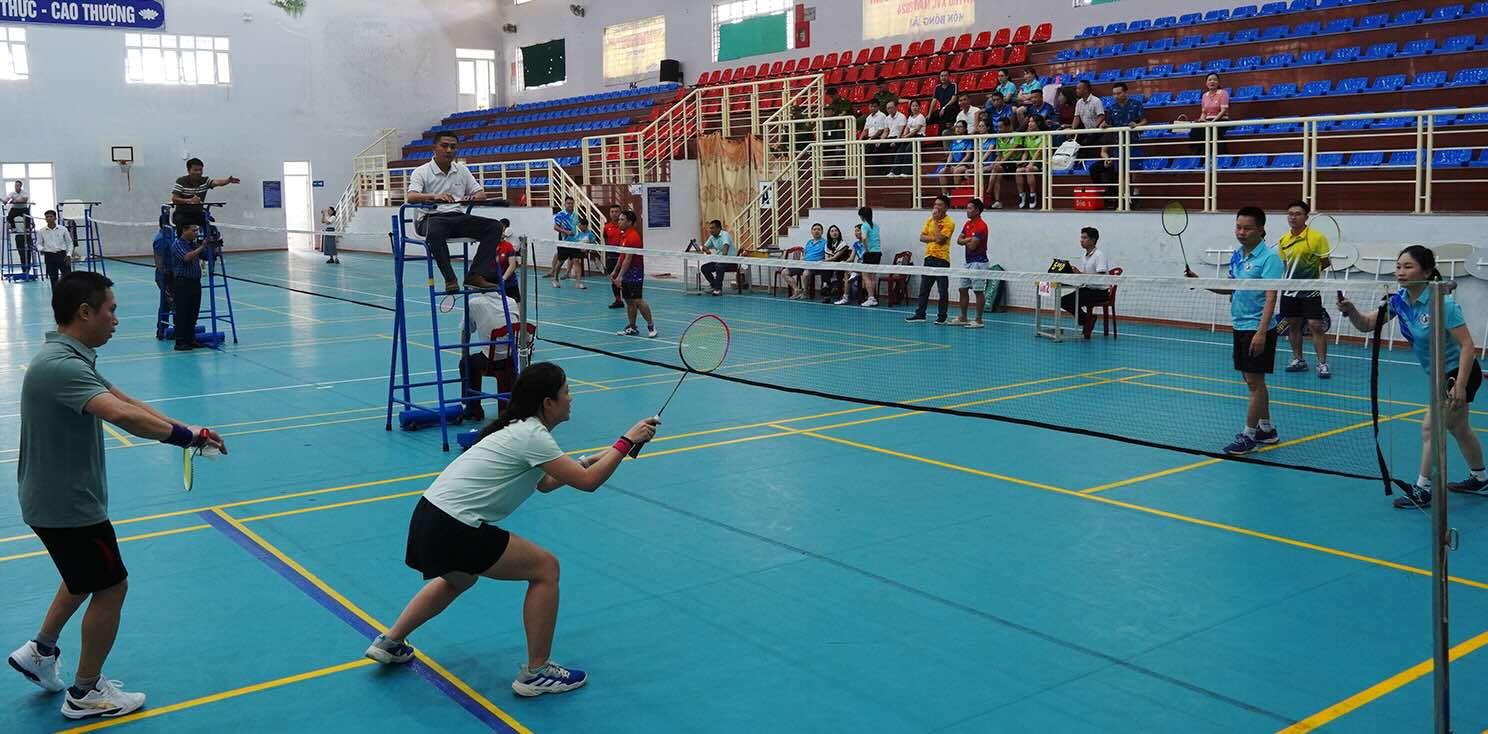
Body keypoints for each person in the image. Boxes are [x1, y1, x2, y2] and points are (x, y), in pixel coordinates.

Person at [363, 361, 659, 698]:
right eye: (566, 392)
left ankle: (390, 642)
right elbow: (588, 483)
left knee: (460, 579)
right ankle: (537, 671)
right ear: (548, 402)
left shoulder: (521, 429)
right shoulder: (533, 436)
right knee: (546, 568)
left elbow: (546, 483)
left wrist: (614, 449)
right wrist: (625, 441)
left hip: (428, 517)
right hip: (455, 526)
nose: (571, 397)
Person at [8, 271, 226, 721]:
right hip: (67, 506)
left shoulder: (69, 356)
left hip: (55, 500)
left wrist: (192, 431)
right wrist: (184, 439)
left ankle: (40, 651)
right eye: (111, 310)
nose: (116, 319)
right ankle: (85, 692)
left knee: (82, 576)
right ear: (85, 313)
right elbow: (121, 417)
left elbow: (125, 401)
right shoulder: (62, 366)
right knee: (111, 585)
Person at [1338, 246, 1488, 509]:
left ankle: (1423, 490)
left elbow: (1467, 346)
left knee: (1431, 428)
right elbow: (1367, 325)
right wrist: (1351, 311)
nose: (1401, 272)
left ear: (1427, 272)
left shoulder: (1442, 304)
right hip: (1438, 373)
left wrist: (1461, 385)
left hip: (1458, 373)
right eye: (1398, 267)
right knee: (1459, 428)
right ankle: (1481, 480)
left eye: (1408, 267)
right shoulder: (1399, 300)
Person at [1186, 207, 1283, 455]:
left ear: (1260, 229)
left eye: (1247, 228)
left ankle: (1249, 436)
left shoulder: (1270, 258)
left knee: (1254, 383)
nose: (1241, 232)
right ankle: (1266, 429)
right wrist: (1201, 282)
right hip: (1240, 324)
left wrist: (1262, 332)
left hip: (1256, 327)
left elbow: (1271, 297)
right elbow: (1232, 287)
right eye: (1238, 227)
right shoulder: (1238, 255)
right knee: (1254, 381)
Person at [406, 132, 504, 294]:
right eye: (444, 146)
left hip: (458, 218)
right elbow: (411, 197)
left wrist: (472, 197)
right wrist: (434, 196)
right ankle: (450, 279)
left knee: (495, 227)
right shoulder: (421, 171)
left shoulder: (462, 170)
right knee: (435, 230)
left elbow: (481, 194)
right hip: (431, 218)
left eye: (453, 147)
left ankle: (475, 275)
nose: (449, 150)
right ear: (434, 148)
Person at [1277, 201, 1332, 379]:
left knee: (1316, 325)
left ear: (1306, 217)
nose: (1293, 217)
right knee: (1293, 326)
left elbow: (1325, 262)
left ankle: (1322, 363)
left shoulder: (1318, 238)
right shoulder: (1283, 240)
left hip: (1310, 290)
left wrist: (1309, 275)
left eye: (1298, 214)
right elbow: (1285, 265)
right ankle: (1298, 359)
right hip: (1289, 290)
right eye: (1290, 214)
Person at [458, 289, 525, 422]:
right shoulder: (511, 301)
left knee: (466, 363)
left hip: (491, 362)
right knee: (475, 360)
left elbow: (466, 330)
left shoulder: (474, 303)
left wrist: (464, 355)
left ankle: (473, 408)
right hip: (512, 359)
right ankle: (509, 405)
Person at [905, 194, 955, 324]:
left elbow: (941, 240)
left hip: (942, 259)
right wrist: (934, 237)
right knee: (924, 289)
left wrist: (936, 223)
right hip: (929, 257)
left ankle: (942, 317)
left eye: (940, 205)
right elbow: (922, 237)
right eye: (935, 204)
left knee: (942, 291)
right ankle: (920, 314)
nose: (936, 207)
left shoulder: (949, 223)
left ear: (946, 207)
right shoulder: (930, 220)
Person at [1060, 227, 1111, 339]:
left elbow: (1100, 277)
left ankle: (1087, 320)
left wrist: (1081, 274)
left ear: (1093, 240)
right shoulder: (1084, 256)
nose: (1081, 240)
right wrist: (1076, 273)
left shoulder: (1099, 255)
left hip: (1100, 292)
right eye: (1081, 237)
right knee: (1063, 301)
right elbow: (1086, 276)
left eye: (1085, 238)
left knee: (1073, 300)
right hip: (1087, 289)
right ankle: (1087, 319)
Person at [611, 210, 655, 338]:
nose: (619, 221)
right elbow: (622, 256)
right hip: (626, 273)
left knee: (638, 300)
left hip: (635, 273)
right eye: (619, 219)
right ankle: (632, 327)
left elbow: (628, 259)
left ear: (629, 222)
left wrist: (619, 277)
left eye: (622, 219)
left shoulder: (633, 236)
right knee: (629, 301)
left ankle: (651, 326)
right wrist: (615, 271)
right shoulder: (623, 235)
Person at [170, 158, 239, 233]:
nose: (199, 172)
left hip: (198, 214)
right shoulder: (181, 181)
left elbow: (216, 182)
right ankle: (182, 240)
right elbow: (174, 199)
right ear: (188, 170)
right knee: (181, 224)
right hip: (182, 214)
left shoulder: (205, 181)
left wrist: (227, 181)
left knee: (210, 224)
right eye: (195, 170)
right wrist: (190, 201)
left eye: (200, 170)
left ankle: (209, 240)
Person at [169, 223, 209, 352]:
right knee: (182, 313)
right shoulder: (177, 244)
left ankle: (191, 339)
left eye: (197, 230)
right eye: (193, 230)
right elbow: (187, 257)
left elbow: (206, 256)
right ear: (184, 230)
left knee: (193, 312)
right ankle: (180, 342)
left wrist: (211, 247)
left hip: (195, 282)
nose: (196, 233)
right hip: (183, 283)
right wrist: (201, 247)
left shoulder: (193, 244)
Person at [953, 198, 990, 328]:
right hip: (968, 262)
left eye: (970, 208)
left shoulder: (981, 226)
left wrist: (966, 240)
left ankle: (979, 320)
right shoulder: (967, 224)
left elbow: (973, 246)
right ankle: (963, 317)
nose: (967, 211)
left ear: (977, 210)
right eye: (967, 208)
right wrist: (969, 239)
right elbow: (958, 240)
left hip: (979, 263)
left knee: (978, 291)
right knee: (962, 289)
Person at [1188, 73, 1230, 155]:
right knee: (1195, 130)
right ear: (1206, 83)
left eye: (1215, 80)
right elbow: (1204, 113)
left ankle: (1215, 154)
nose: (1212, 82)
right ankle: (1200, 154)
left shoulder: (1223, 93)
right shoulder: (1204, 95)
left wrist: (1212, 122)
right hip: (1208, 121)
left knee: (1211, 132)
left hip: (1220, 120)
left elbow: (1223, 111)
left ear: (1218, 82)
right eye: (1210, 80)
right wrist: (1201, 120)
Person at [550, 196, 585, 289]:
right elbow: (555, 227)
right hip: (564, 242)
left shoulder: (575, 215)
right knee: (560, 262)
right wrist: (566, 232)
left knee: (576, 261)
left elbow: (578, 226)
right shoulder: (560, 215)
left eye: (571, 203)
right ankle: (555, 279)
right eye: (568, 203)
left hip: (574, 242)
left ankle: (578, 283)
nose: (570, 205)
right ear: (565, 204)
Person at [986, 117, 1022, 208]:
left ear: (1008, 126)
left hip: (1014, 162)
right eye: (998, 127)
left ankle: (988, 191)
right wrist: (995, 162)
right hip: (1003, 163)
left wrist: (999, 163)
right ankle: (997, 201)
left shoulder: (1016, 136)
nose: (999, 129)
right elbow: (999, 155)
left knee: (996, 168)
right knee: (996, 173)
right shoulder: (999, 138)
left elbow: (1011, 153)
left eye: (1001, 127)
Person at [34, 210, 76, 287]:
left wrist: (69, 255)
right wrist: (42, 249)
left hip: (62, 255)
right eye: (47, 217)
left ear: (55, 218)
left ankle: (69, 293)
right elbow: (38, 244)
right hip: (49, 256)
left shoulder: (63, 229)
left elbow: (69, 243)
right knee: (53, 278)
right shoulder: (41, 231)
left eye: (51, 216)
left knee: (68, 277)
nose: (49, 218)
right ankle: (55, 294)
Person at [786, 223, 827, 300]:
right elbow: (805, 254)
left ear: (822, 232)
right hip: (803, 264)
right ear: (811, 231)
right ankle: (797, 290)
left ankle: (805, 292)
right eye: (814, 229)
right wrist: (801, 260)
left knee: (806, 273)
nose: (816, 231)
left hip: (815, 265)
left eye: (818, 229)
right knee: (785, 272)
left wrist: (821, 261)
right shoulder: (809, 242)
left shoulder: (825, 242)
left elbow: (826, 256)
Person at [699, 219, 737, 295]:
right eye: (710, 228)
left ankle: (718, 289)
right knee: (704, 268)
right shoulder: (712, 237)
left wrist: (722, 258)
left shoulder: (725, 234)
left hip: (731, 261)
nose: (710, 230)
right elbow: (705, 246)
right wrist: (707, 250)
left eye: (712, 228)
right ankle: (714, 285)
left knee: (719, 266)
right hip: (719, 261)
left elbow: (726, 246)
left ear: (718, 228)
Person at [151, 213, 174, 341]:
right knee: (170, 302)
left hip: (173, 274)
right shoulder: (161, 239)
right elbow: (158, 260)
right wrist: (166, 276)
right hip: (165, 277)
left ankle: (164, 330)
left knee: (167, 303)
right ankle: (162, 329)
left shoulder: (172, 235)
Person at [1015, 115, 1045, 209]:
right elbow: (1025, 152)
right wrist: (1022, 161)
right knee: (1018, 171)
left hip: (1041, 162)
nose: (1030, 124)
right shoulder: (1027, 137)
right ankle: (1021, 195)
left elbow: (1039, 151)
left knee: (1028, 169)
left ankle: (1032, 195)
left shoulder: (1044, 135)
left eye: (1032, 122)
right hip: (1031, 162)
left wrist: (1031, 163)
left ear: (1038, 123)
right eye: (1029, 122)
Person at [935, 120, 973, 193]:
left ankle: (957, 193)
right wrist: (947, 165)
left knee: (956, 171)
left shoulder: (968, 140)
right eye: (956, 127)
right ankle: (945, 194)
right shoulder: (954, 141)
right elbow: (951, 154)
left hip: (965, 164)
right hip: (954, 164)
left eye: (960, 127)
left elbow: (968, 156)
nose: (957, 129)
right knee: (942, 172)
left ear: (965, 129)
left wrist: (958, 165)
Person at [4, 179, 32, 275]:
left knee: (27, 216)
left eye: (18, 185)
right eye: (15, 185)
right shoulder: (12, 193)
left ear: (21, 186)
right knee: (9, 217)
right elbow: (6, 199)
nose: (16, 187)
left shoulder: (24, 192)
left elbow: (24, 200)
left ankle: (27, 227)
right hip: (15, 209)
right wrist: (6, 200)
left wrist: (14, 200)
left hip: (23, 208)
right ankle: (13, 227)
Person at [858, 207, 882, 307]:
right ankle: (873, 298)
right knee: (872, 276)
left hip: (869, 253)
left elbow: (864, 238)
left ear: (862, 216)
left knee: (866, 276)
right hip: (878, 253)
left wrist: (866, 249)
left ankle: (871, 298)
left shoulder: (864, 225)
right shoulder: (876, 226)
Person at [601, 203, 624, 308]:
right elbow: (606, 239)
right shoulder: (606, 227)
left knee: (624, 279)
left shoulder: (625, 226)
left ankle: (630, 301)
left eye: (616, 212)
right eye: (612, 212)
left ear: (620, 213)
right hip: (611, 257)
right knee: (614, 279)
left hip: (623, 256)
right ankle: (618, 300)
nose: (614, 214)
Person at [822, 224, 850, 303]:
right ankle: (826, 291)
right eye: (832, 231)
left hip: (842, 265)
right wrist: (826, 261)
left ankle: (832, 290)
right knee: (825, 270)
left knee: (837, 273)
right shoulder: (827, 245)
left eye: (836, 231)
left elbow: (835, 257)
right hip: (831, 265)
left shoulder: (843, 244)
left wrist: (825, 261)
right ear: (829, 234)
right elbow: (827, 257)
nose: (834, 232)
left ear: (839, 233)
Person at [862, 100, 890, 175]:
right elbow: (865, 130)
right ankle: (859, 169)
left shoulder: (882, 116)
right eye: (871, 106)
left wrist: (871, 139)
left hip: (877, 137)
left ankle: (878, 171)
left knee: (867, 150)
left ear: (878, 107)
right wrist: (859, 140)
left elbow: (880, 131)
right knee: (859, 148)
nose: (872, 108)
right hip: (869, 138)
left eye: (874, 106)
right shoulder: (868, 117)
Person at [885, 100, 910, 176]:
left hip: (898, 137)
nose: (890, 110)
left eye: (891, 107)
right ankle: (880, 170)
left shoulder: (901, 116)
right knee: (878, 147)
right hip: (889, 138)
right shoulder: (887, 118)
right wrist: (880, 140)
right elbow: (886, 131)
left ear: (896, 107)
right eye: (888, 108)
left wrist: (895, 141)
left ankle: (894, 171)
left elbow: (901, 131)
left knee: (895, 148)